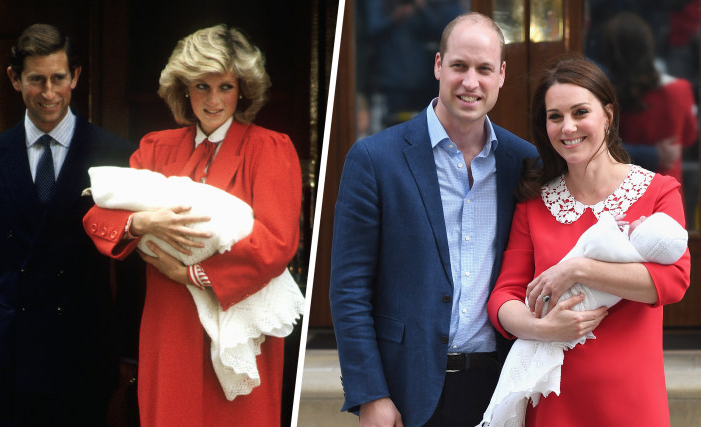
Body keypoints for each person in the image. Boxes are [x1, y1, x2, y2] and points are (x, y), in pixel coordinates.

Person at [81, 24, 301, 426]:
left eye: (225, 87)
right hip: (170, 323)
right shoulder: (156, 148)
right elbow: (98, 214)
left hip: (239, 318)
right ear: (184, 89)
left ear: (243, 90)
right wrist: (143, 221)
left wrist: (190, 273)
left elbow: (277, 242)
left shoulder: (270, 148)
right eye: (201, 86)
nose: (213, 100)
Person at [329, 12, 537, 427]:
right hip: (407, 393)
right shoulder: (375, 159)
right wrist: (371, 394)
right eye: (459, 66)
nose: (470, 82)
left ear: (501, 75)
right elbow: (349, 289)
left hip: (500, 389)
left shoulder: (524, 162)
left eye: (483, 69)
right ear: (439, 65)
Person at [0, 24, 139, 427]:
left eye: (58, 78)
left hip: (82, 348)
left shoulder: (116, 154)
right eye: (36, 80)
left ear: (75, 76)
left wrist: (127, 351)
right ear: (14, 79)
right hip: (5, 354)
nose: (49, 92)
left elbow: (132, 267)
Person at [487, 56, 690, 427]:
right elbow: (503, 297)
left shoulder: (658, 191)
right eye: (555, 116)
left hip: (632, 402)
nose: (568, 128)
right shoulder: (534, 203)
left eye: (581, 112)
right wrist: (542, 329)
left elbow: (673, 282)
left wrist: (579, 269)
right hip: (553, 403)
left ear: (608, 114)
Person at [601, 12, 698, 184]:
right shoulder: (679, 89)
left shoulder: (606, 95)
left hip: (620, 187)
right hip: (667, 188)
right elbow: (689, 137)